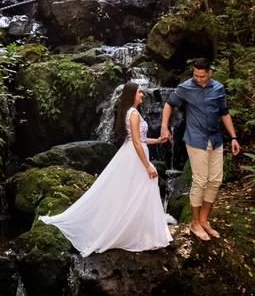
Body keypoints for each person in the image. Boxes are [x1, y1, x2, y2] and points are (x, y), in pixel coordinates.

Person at [39, 82, 172, 256]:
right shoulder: (133, 114)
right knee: (143, 185)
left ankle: (139, 227)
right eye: (140, 92)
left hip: (134, 152)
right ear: (132, 95)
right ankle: (134, 230)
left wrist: (157, 141)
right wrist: (147, 165)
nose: (142, 95)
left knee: (137, 189)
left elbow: (140, 139)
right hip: (135, 155)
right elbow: (137, 142)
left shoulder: (132, 112)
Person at [160, 58, 241, 241]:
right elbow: (169, 104)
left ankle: (204, 221)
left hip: (215, 139)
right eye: (196, 75)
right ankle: (194, 223)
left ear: (210, 73)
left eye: (202, 76)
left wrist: (234, 137)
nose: (199, 79)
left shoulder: (218, 89)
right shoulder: (185, 88)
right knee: (200, 180)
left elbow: (225, 113)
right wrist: (164, 127)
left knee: (215, 180)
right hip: (195, 139)